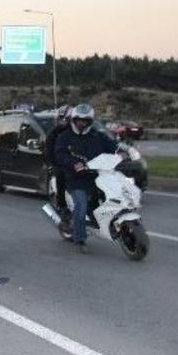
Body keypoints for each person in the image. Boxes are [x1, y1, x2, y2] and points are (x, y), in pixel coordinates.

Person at [55, 103, 118, 253]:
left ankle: (111, 224)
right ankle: (80, 238)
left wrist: (121, 152)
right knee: (81, 204)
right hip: (75, 178)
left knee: (114, 195)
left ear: (90, 121)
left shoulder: (97, 135)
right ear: (74, 120)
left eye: (85, 120)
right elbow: (60, 154)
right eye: (79, 120)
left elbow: (112, 146)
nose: (82, 123)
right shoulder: (65, 137)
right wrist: (73, 163)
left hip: (97, 175)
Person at [45, 105, 72, 219]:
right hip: (60, 163)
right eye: (61, 119)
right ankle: (62, 206)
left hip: (79, 162)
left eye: (65, 119)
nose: (62, 122)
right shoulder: (54, 134)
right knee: (61, 174)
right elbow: (49, 151)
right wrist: (56, 163)